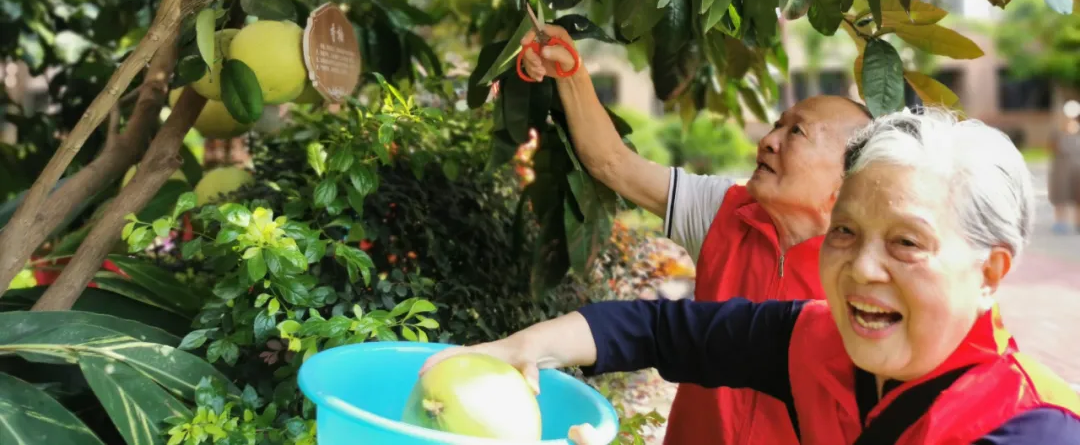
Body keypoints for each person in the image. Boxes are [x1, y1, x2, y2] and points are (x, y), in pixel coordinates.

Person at [424, 109, 1080, 444]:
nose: (862, 269)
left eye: (907, 243)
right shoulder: (814, 339)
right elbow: (664, 329)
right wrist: (518, 351)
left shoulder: (1028, 429)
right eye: (845, 233)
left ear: (991, 272)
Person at [518, 26, 872, 445]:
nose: (768, 141)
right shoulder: (724, 209)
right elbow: (612, 162)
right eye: (777, 125)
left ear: (847, 177)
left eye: (796, 133)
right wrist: (570, 71)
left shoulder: (869, 267)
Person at [1050, 100, 1080, 235]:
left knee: (1077, 196)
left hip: (1077, 169)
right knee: (1061, 195)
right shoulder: (1057, 132)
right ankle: (1060, 222)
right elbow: (1051, 148)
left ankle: (1078, 222)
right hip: (1061, 169)